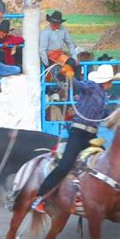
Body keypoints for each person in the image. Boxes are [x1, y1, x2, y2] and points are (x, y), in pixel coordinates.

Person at [31, 64, 118, 213]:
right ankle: (40, 197)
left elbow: (103, 115)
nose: (111, 84)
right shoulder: (92, 86)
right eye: (111, 81)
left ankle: (91, 195)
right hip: (78, 133)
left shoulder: (103, 96)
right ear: (107, 81)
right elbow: (78, 85)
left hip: (91, 136)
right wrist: (70, 76)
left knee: (104, 165)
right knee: (65, 165)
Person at [39, 11, 80, 81]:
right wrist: (46, 64)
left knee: (77, 67)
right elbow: (42, 50)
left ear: (59, 23)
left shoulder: (63, 30)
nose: (54, 25)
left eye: (56, 23)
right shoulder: (45, 32)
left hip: (60, 55)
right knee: (71, 63)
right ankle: (60, 78)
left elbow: (70, 43)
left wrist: (74, 57)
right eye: (53, 23)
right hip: (49, 56)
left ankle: (74, 84)